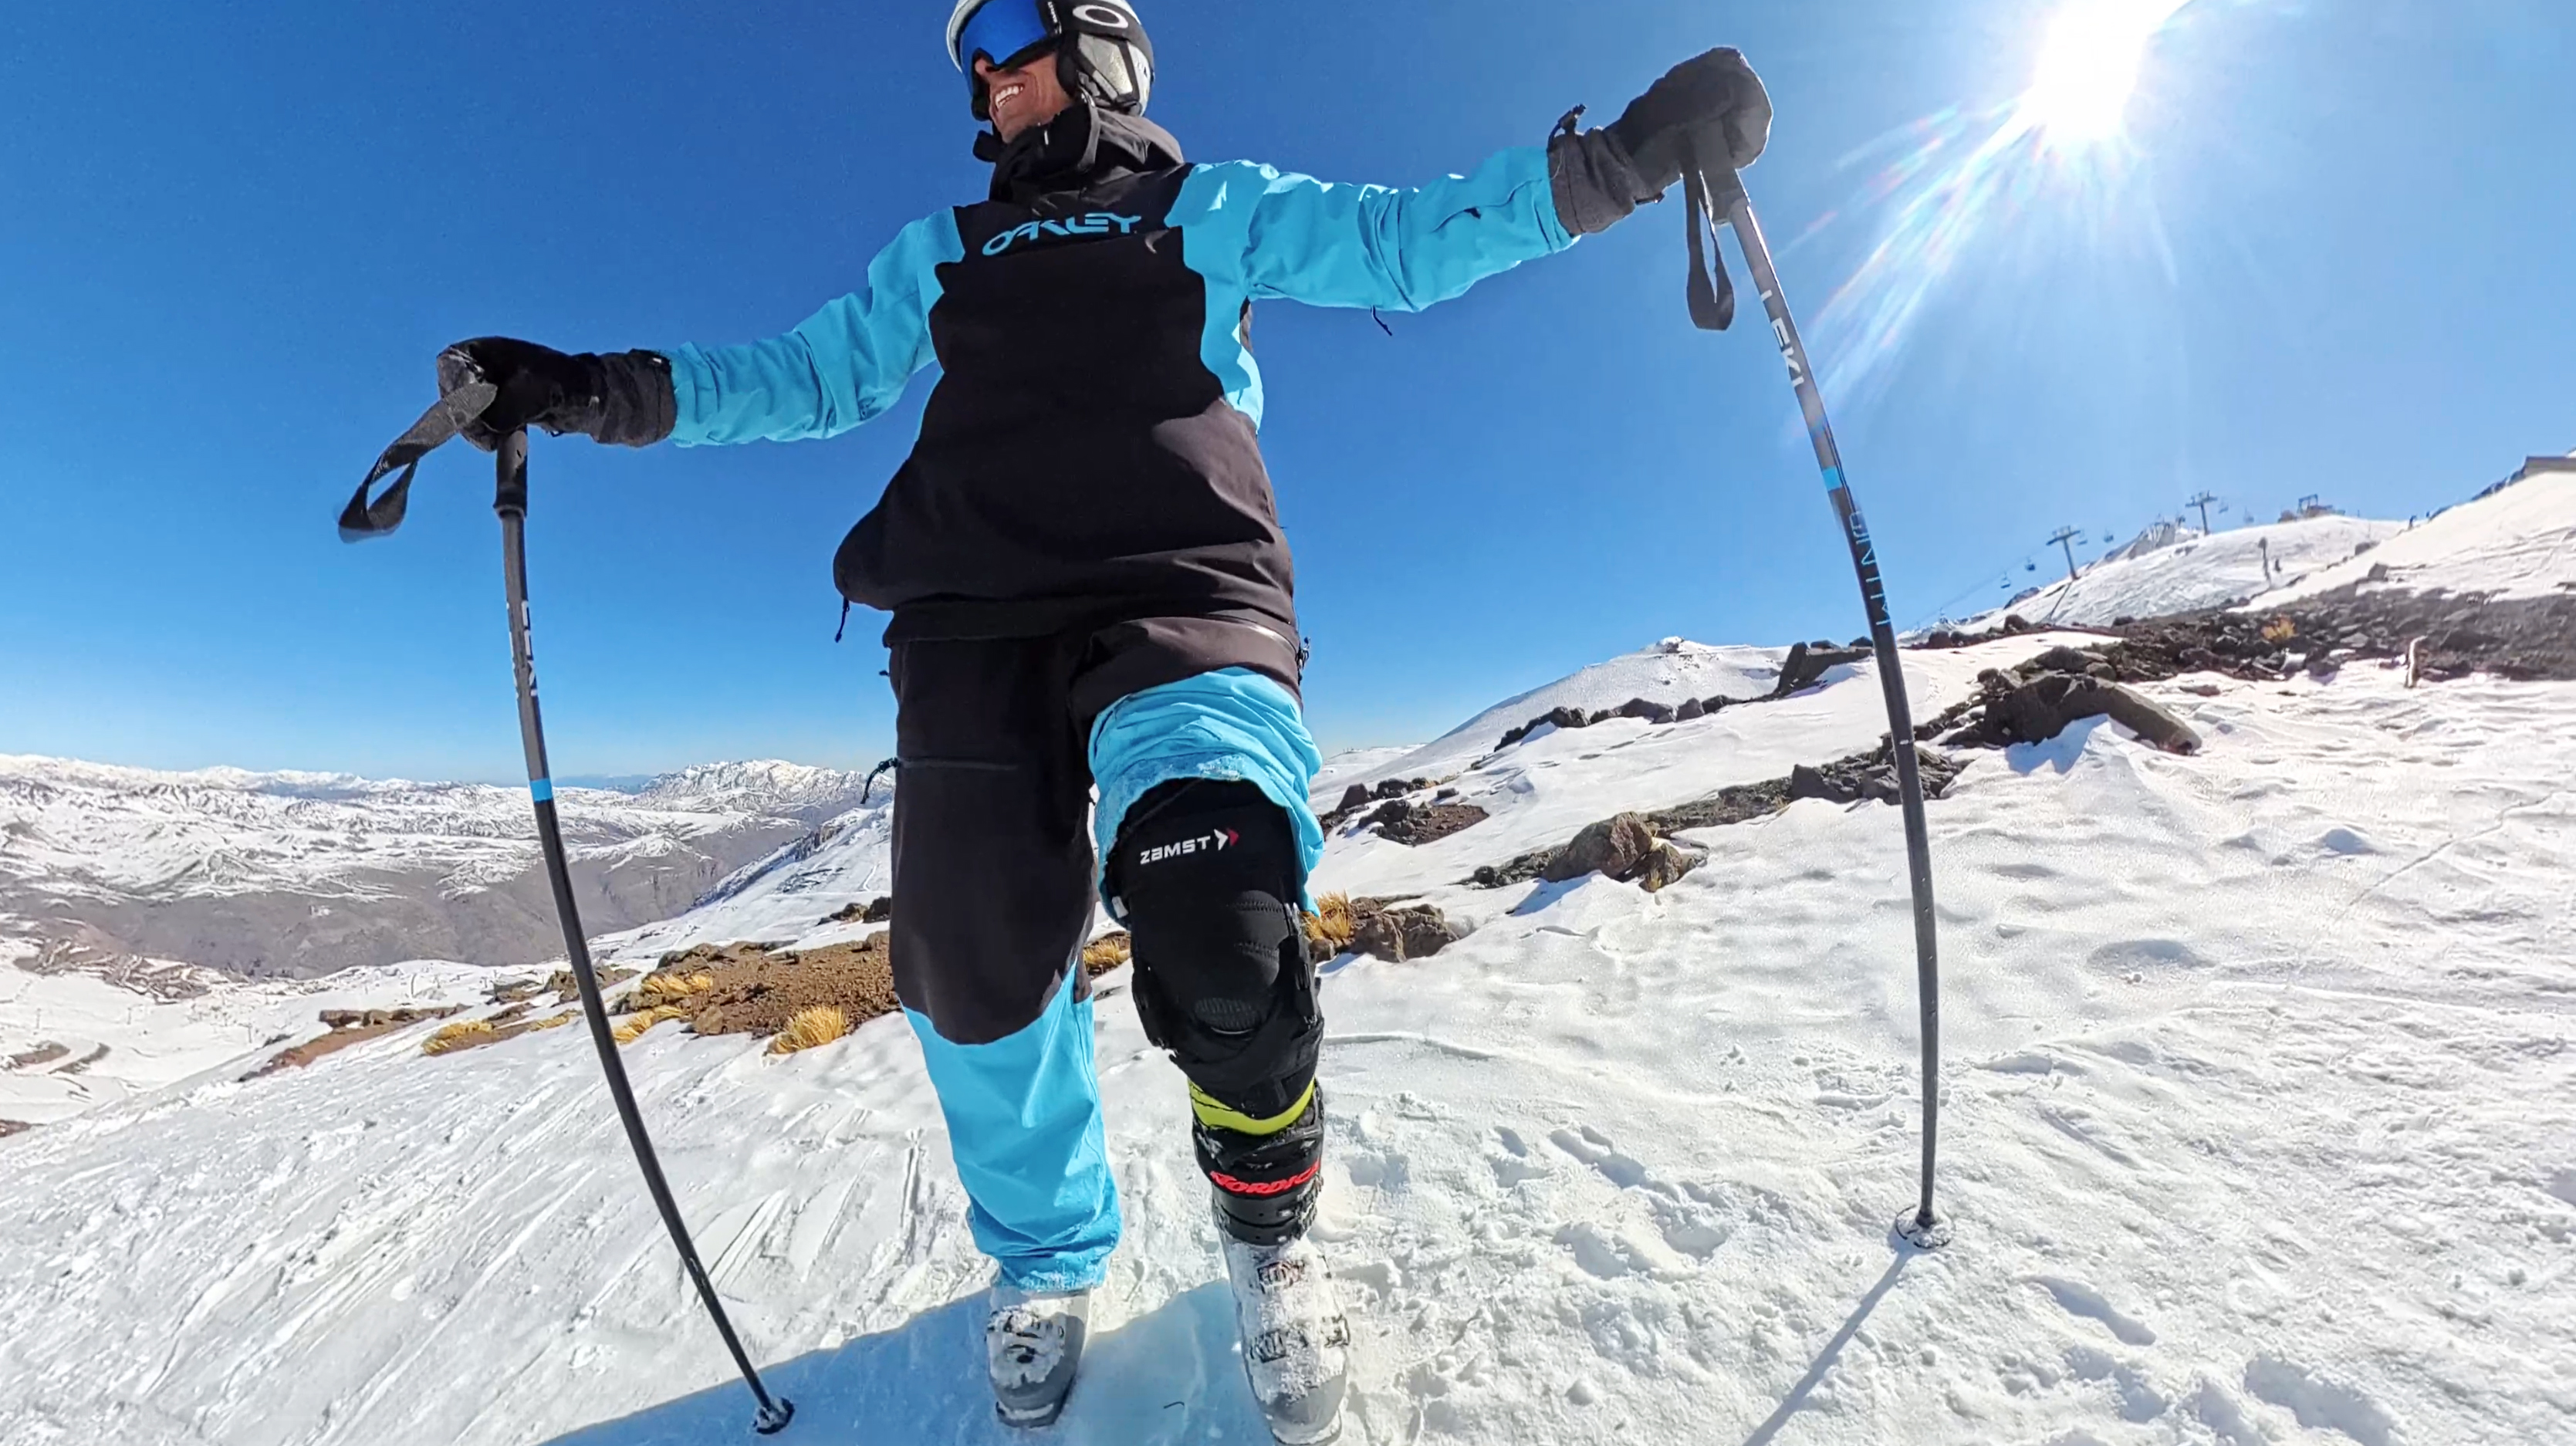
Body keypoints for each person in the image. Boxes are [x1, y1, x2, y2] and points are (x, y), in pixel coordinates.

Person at [438, 3, 1768, 1437]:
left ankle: (1267, 1233)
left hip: (1181, 596)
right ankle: (1048, 1258)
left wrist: (1623, 162)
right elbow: (806, 376)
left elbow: (1402, 236)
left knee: (1223, 921)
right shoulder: (939, 253)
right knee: (975, 974)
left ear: (1102, 49)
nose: (985, 78)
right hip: (968, 621)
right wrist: (586, 390)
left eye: (1010, 38)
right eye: (970, 61)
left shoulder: (1213, 209)